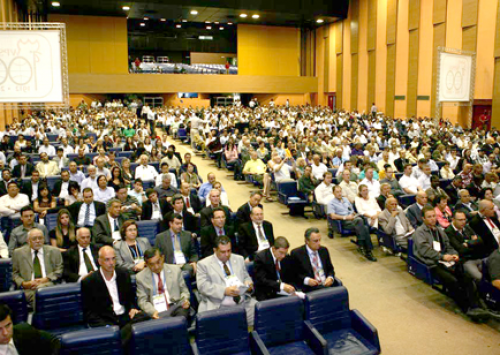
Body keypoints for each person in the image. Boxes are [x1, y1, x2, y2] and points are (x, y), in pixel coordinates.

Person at [412, 206, 498, 322]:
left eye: (434, 216)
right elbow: (424, 250)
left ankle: (477, 306)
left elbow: (448, 245)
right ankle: (467, 308)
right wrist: (442, 256)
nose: (432, 219)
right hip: (433, 263)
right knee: (453, 281)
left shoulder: (439, 230)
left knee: (467, 278)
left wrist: (453, 254)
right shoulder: (420, 232)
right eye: (429, 217)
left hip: (447, 260)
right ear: (423, 218)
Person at [81, 246, 147, 345]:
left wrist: (133, 308)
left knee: (145, 317)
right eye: (107, 260)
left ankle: (118, 341)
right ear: (99, 261)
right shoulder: (89, 282)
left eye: (113, 258)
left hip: (125, 318)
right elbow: (89, 313)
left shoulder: (123, 274)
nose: (111, 263)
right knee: (126, 334)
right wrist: (106, 326)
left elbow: (131, 298)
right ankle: (120, 340)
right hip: (106, 321)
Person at [196, 236, 256, 326]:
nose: (227, 254)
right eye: (223, 252)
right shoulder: (203, 264)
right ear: (215, 250)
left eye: (229, 250)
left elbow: (246, 277)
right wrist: (224, 291)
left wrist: (249, 284)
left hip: (242, 303)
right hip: (218, 306)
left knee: (263, 312)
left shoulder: (239, 259)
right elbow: (202, 286)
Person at [12, 228, 63, 306]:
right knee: (38, 298)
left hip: (49, 285)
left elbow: (59, 270)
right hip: (29, 289)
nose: (38, 241)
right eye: (34, 239)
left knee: (44, 296)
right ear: (28, 241)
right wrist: (24, 283)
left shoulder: (54, 251)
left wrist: (46, 279)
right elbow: (14, 274)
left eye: (40, 238)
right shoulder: (18, 253)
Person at [136, 247, 191, 319]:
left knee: (180, 317)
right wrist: (152, 311)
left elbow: (184, 291)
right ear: (146, 264)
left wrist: (185, 300)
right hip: (155, 309)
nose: (156, 267)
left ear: (162, 258)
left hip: (175, 306)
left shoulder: (175, 270)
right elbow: (142, 301)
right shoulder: (140, 277)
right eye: (151, 264)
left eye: (158, 262)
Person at [327, 186, 376, 261]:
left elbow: (351, 210)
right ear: (333, 193)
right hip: (344, 222)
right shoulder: (331, 203)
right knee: (361, 223)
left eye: (340, 191)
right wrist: (346, 218)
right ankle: (366, 247)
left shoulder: (346, 200)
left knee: (362, 223)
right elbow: (332, 216)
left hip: (353, 219)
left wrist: (353, 214)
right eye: (337, 192)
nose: (339, 193)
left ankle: (364, 248)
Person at [289, 228, 336, 293]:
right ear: (307, 241)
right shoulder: (297, 254)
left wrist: (330, 278)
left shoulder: (324, 250)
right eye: (315, 241)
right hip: (311, 288)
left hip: (326, 284)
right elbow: (294, 275)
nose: (319, 243)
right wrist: (307, 280)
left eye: (320, 240)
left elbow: (330, 269)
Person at [445, 211, 484, 282]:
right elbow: (461, 250)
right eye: (460, 220)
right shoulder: (449, 231)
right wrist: (474, 242)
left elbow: (480, 240)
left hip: (477, 257)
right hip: (465, 260)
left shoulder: (466, 227)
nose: (463, 222)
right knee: (480, 278)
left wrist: (468, 244)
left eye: (464, 219)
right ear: (453, 219)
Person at [254, 236, 296, 301]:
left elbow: (289, 275)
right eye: (281, 253)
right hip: (267, 291)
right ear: (273, 249)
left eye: (285, 253)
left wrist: (290, 287)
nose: (283, 256)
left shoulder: (286, 257)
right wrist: (281, 286)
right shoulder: (261, 258)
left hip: (283, 289)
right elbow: (262, 280)